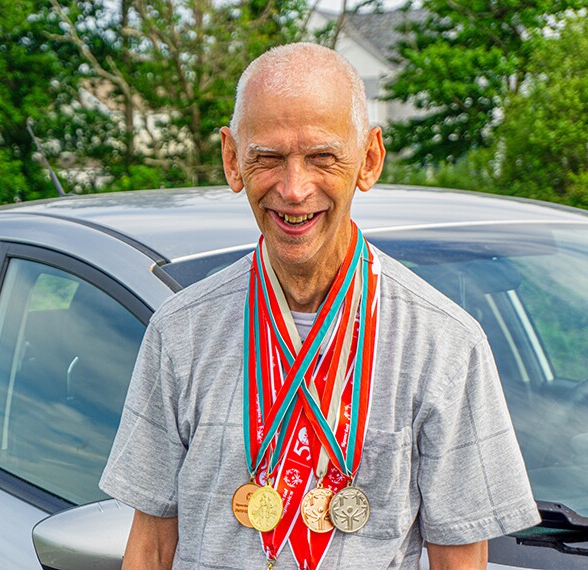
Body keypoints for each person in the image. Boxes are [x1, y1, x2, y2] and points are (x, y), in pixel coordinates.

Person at [100, 43, 540, 569]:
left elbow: (460, 560)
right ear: (232, 159)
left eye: (322, 156)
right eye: (268, 157)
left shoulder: (443, 343)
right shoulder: (179, 332)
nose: (293, 188)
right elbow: (149, 547)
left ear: (370, 159)